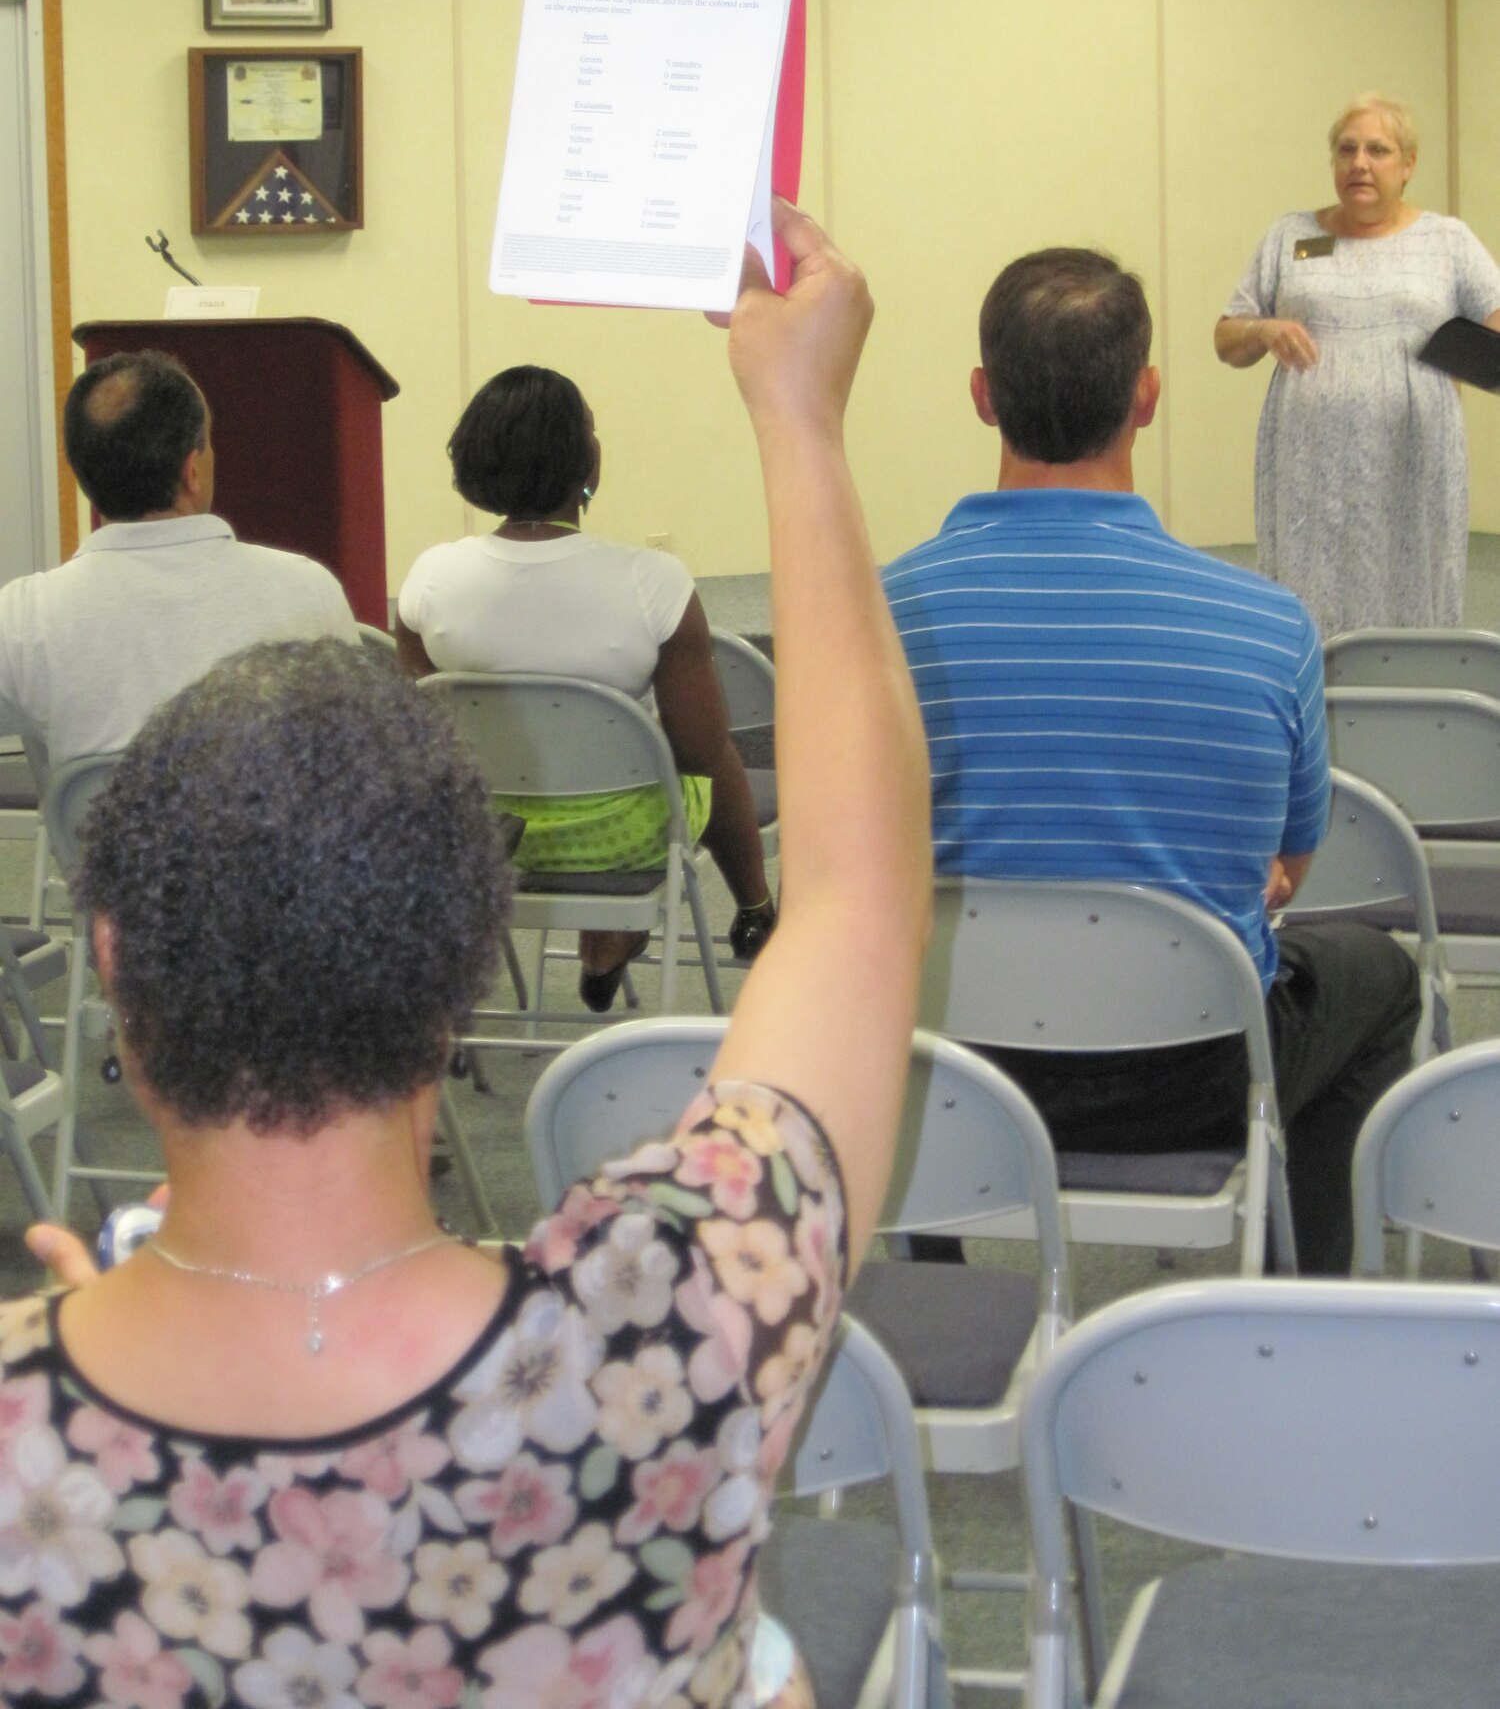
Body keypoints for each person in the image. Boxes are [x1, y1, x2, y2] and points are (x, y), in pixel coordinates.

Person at [15, 202, 932, 1709]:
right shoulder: (674, 1329)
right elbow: (857, 896)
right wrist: (798, 418)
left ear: (111, 959)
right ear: (464, 954)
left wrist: (79, 1355)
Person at [885, 245, 1417, 1273]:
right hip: (1200, 1069)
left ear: (983, 398)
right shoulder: (1270, 626)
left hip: (949, 1063)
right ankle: (1298, 1295)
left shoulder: (875, 619)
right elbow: (1285, 869)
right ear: (1150, 396)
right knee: (1378, 974)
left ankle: (937, 1300)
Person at [396, 365, 775, 1008]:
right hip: (625, 838)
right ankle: (755, 909)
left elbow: (422, 734)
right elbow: (699, 755)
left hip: (487, 835)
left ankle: (598, 939)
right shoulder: (653, 581)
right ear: (588, 462)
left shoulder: (428, 579)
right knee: (706, 759)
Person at [1215, 93, 1500, 637]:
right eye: (1346, 150)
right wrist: (1263, 329)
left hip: (1414, 458)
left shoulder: (1447, 241)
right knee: (1310, 585)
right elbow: (1227, 337)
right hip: (1308, 461)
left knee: (1413, 585)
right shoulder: (1295, 237)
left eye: (1378, 150)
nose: (1360, 164)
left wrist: (1453, 360)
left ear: (1408, 164)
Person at [0, 350, 359, 769]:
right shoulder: (307, 591)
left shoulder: (21, 618)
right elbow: (353, 758)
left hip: (97, 836)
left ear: (82, 475)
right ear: (192, 471)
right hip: (264, 836)